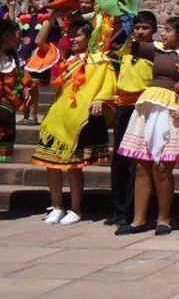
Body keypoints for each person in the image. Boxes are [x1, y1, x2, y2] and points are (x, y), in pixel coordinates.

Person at [115, 17, 179, 236]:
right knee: (142, 165)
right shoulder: (156, 50)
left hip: (174, 110)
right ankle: (138, 220)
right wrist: (124, 23)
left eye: (168, 31)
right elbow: (125, 45)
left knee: (162, 167)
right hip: (149, 107)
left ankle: (164, 218)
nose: (163, 34)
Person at [32, 20, 114, 225]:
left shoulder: (98, 60)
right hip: (57, 118)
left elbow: (108, 83)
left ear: (89, 37)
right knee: (50, 164)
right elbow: (40, 40)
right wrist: (52, 17)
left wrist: (100, 98)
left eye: (78, 35)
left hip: (77, 119)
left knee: (73, 166)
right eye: (71, 34)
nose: (73, 39)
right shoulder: (63, 58)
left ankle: (76, 208)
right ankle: (57, 205)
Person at [105, 12, 156, 228]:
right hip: (123, 105)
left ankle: (135, 210)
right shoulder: (126, 46)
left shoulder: (156, 49)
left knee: (138, 159)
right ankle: (119, 208)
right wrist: (123, 27)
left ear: (154, 29)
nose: (140, 32)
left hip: (143, 105)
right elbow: (111, 45)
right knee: (119, 157)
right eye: (137, 27)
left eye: (145, 28)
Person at [0, 19, 23, 163]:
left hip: (6, 112)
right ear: (7, 35)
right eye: (18, 34)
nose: (20, 38)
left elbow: (22, 80)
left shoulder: (14, 58)